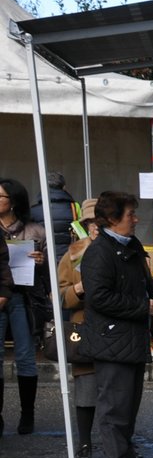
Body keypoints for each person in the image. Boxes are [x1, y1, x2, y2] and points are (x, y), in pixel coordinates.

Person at [78, 191, 153, 458]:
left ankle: (126, 455)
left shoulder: (130, 246)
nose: (136, 219)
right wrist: (143, 306)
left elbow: (144, 287)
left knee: (129, 403)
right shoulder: (99, 252)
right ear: (111, 219)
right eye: (130, 214)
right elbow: (99, 298)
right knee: (114, 403)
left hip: (131, 337)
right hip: (111, 340)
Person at [0, 178, 46, 436]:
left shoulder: (34, 231)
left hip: (23, 297)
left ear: (13, 202)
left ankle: (27, 414)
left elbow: (53, 267)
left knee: (26, 357)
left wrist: (41, 261)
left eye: (1, 197)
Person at [56, 202, 101, 458]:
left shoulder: (125, 250)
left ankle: (122, 442)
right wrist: (78, 289)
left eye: (100, 221)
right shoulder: (72, 255)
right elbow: (60, 297)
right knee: (86, 386)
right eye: (90, 223)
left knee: (119, 389)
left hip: (117, 329)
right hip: (84, 327)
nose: (95, 227)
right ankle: (84, 443)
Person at [32, 171, 78, 257]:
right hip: (69, 257)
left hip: (44, 258)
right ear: (64, 187)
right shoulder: (74, 207)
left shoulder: (33, 211)